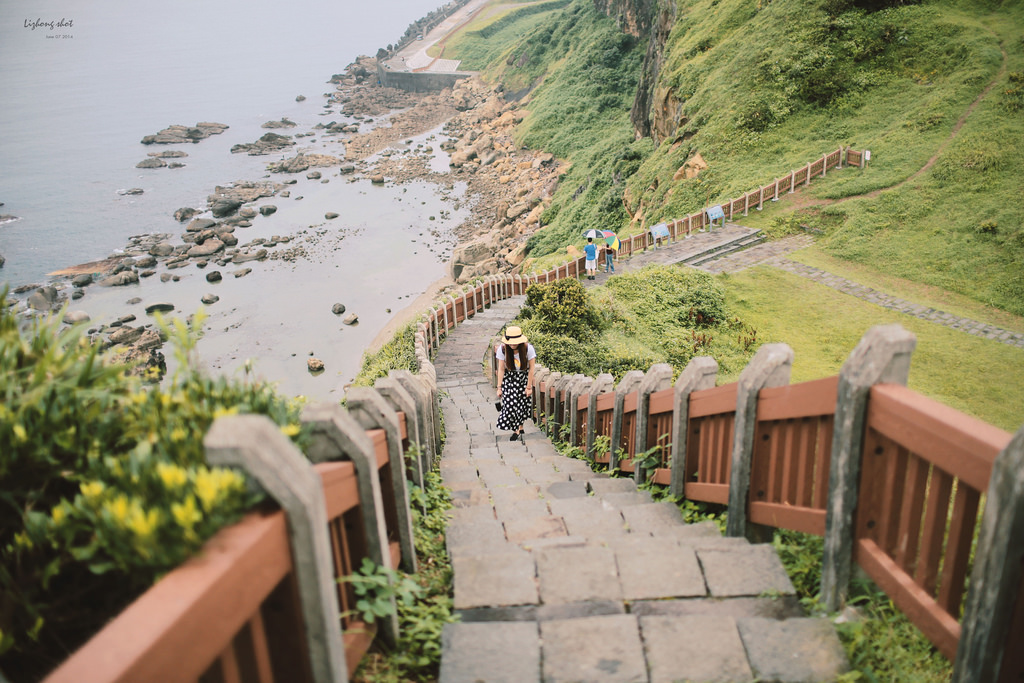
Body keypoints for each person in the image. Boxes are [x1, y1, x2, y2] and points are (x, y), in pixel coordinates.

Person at [495, 325, 536, 442]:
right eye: (511, 342)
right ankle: (516, 430)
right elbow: (501, 369)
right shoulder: (503, 349)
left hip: (523, 378)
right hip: (509, 378)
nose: (512, 345)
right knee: (510, 404)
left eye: (515, 342)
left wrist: (529, 387)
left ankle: (520, 426)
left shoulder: (528, 349)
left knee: (522, 404)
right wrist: (499, 387)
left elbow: (531, 369)